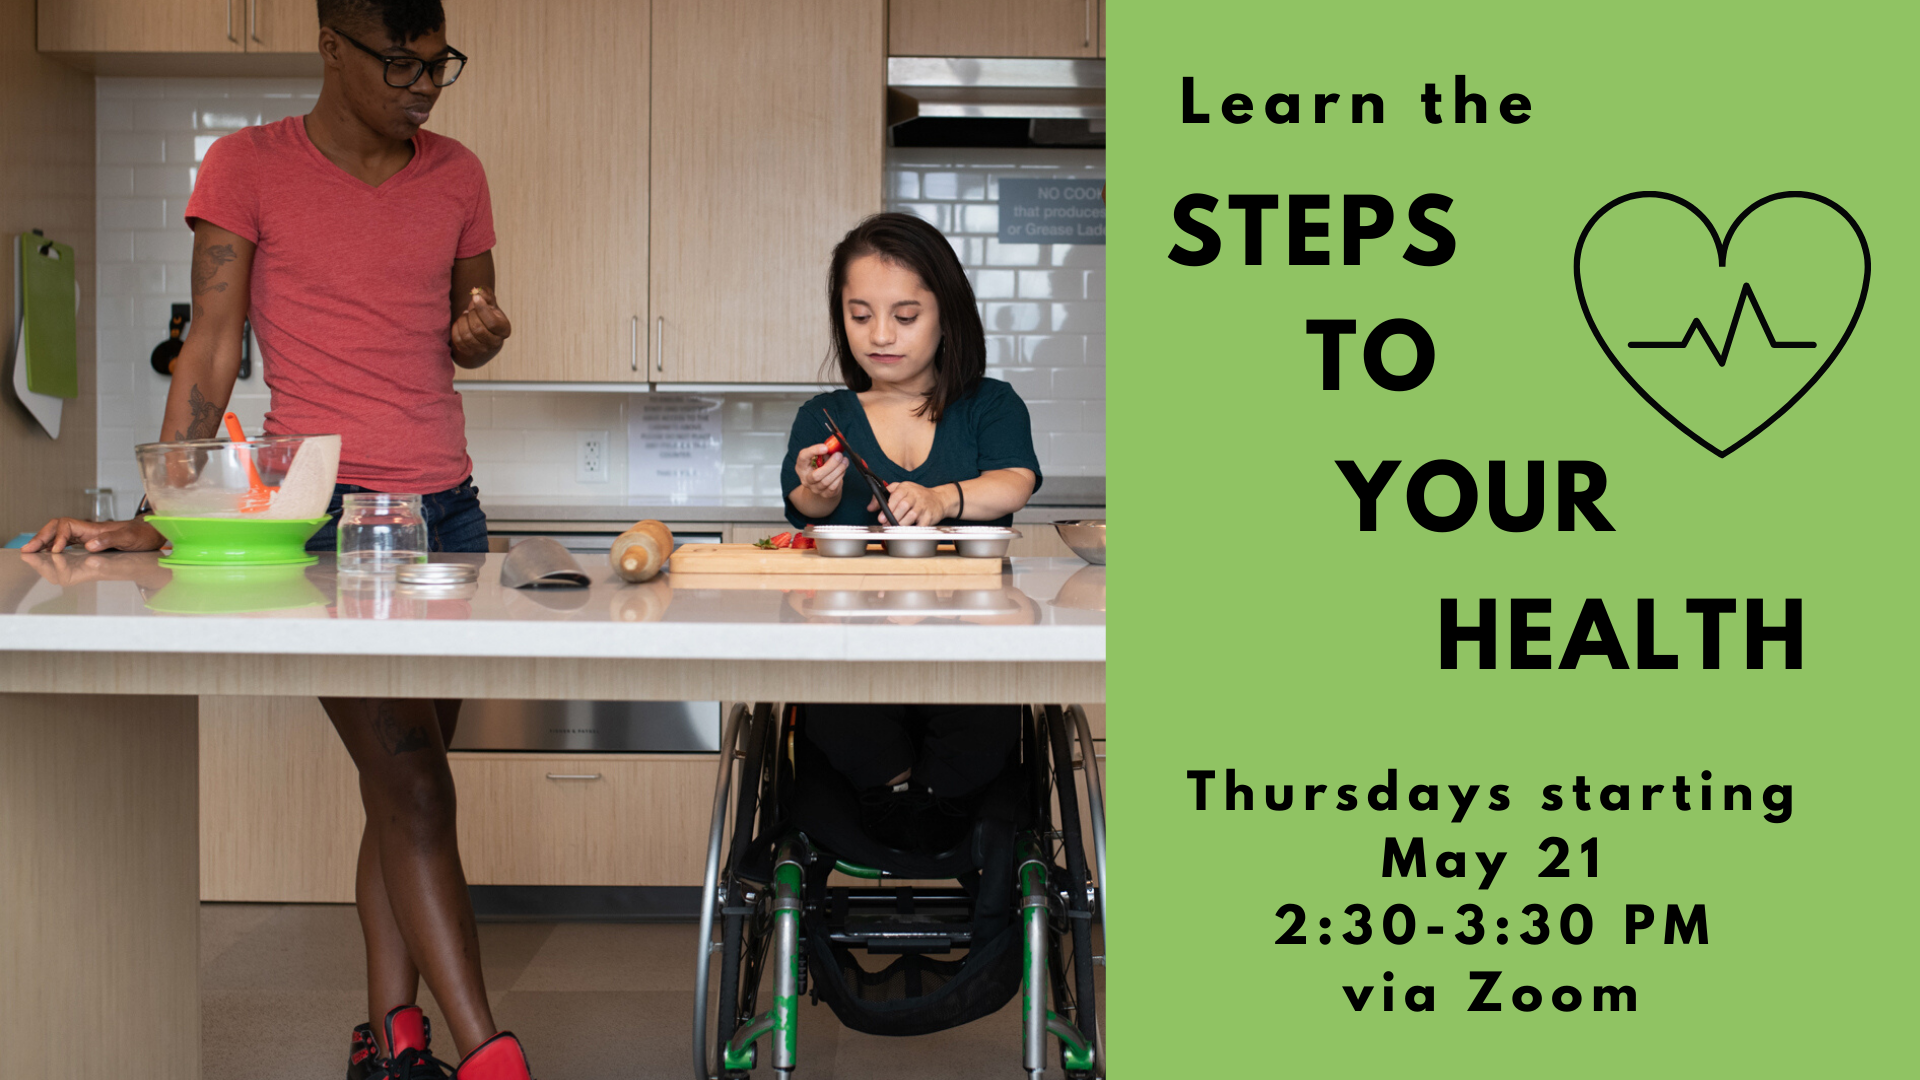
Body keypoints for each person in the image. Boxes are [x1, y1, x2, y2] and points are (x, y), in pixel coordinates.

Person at [23, 2, 531, 1077]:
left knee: (406, 782)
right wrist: (161, 514)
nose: (425, 83)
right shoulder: (247, 167)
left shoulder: (458, 174)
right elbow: (209, 351)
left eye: (440, 63)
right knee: (416, 784)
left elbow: (465, 328)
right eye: (401, 62)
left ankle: (391, 1041)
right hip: (327, 517)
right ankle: (492, 1055)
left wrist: (479, 333)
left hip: (448, 513)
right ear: (331, 48)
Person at [781, 212, 1041, 851]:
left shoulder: (989, 404)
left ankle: (934, 802)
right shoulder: (825, 415)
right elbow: (800, 506)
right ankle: (898, 792)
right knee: (835, 701)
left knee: (983, 711)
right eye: (860, 314)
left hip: (968, 647)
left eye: (904, 315)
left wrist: (942, 498)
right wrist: (817, 491)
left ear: (946, 315)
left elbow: (1015, 481)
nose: (880, 335)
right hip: (855, 652)